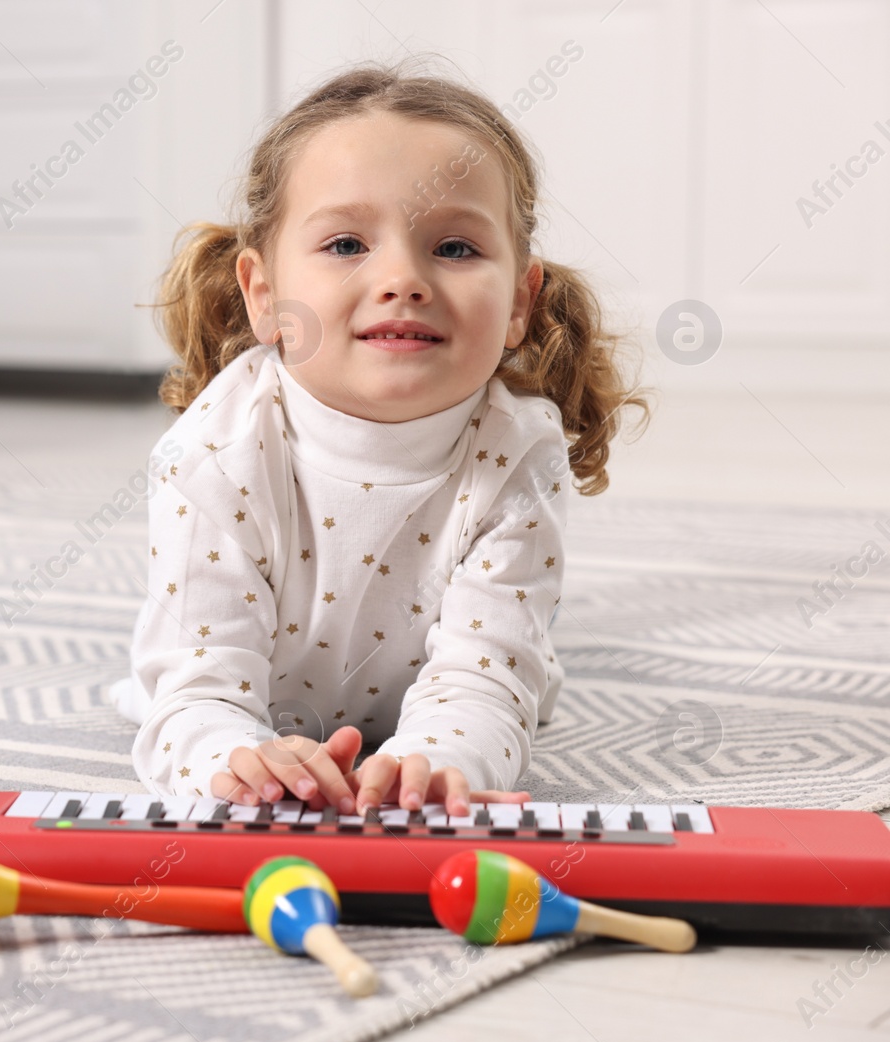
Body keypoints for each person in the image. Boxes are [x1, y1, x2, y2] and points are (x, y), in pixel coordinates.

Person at [111, 62, 651, 817]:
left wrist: (433, 763)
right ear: (263, 294)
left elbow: (482, 680)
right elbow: (194, 695)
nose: (402, 277)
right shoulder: (214, 454)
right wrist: (236, 761)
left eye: (456, 248)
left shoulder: (520, 450)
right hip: (256, 686)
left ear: (522, 301)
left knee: (505, 692)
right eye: (344, 244)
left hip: (436, 693)